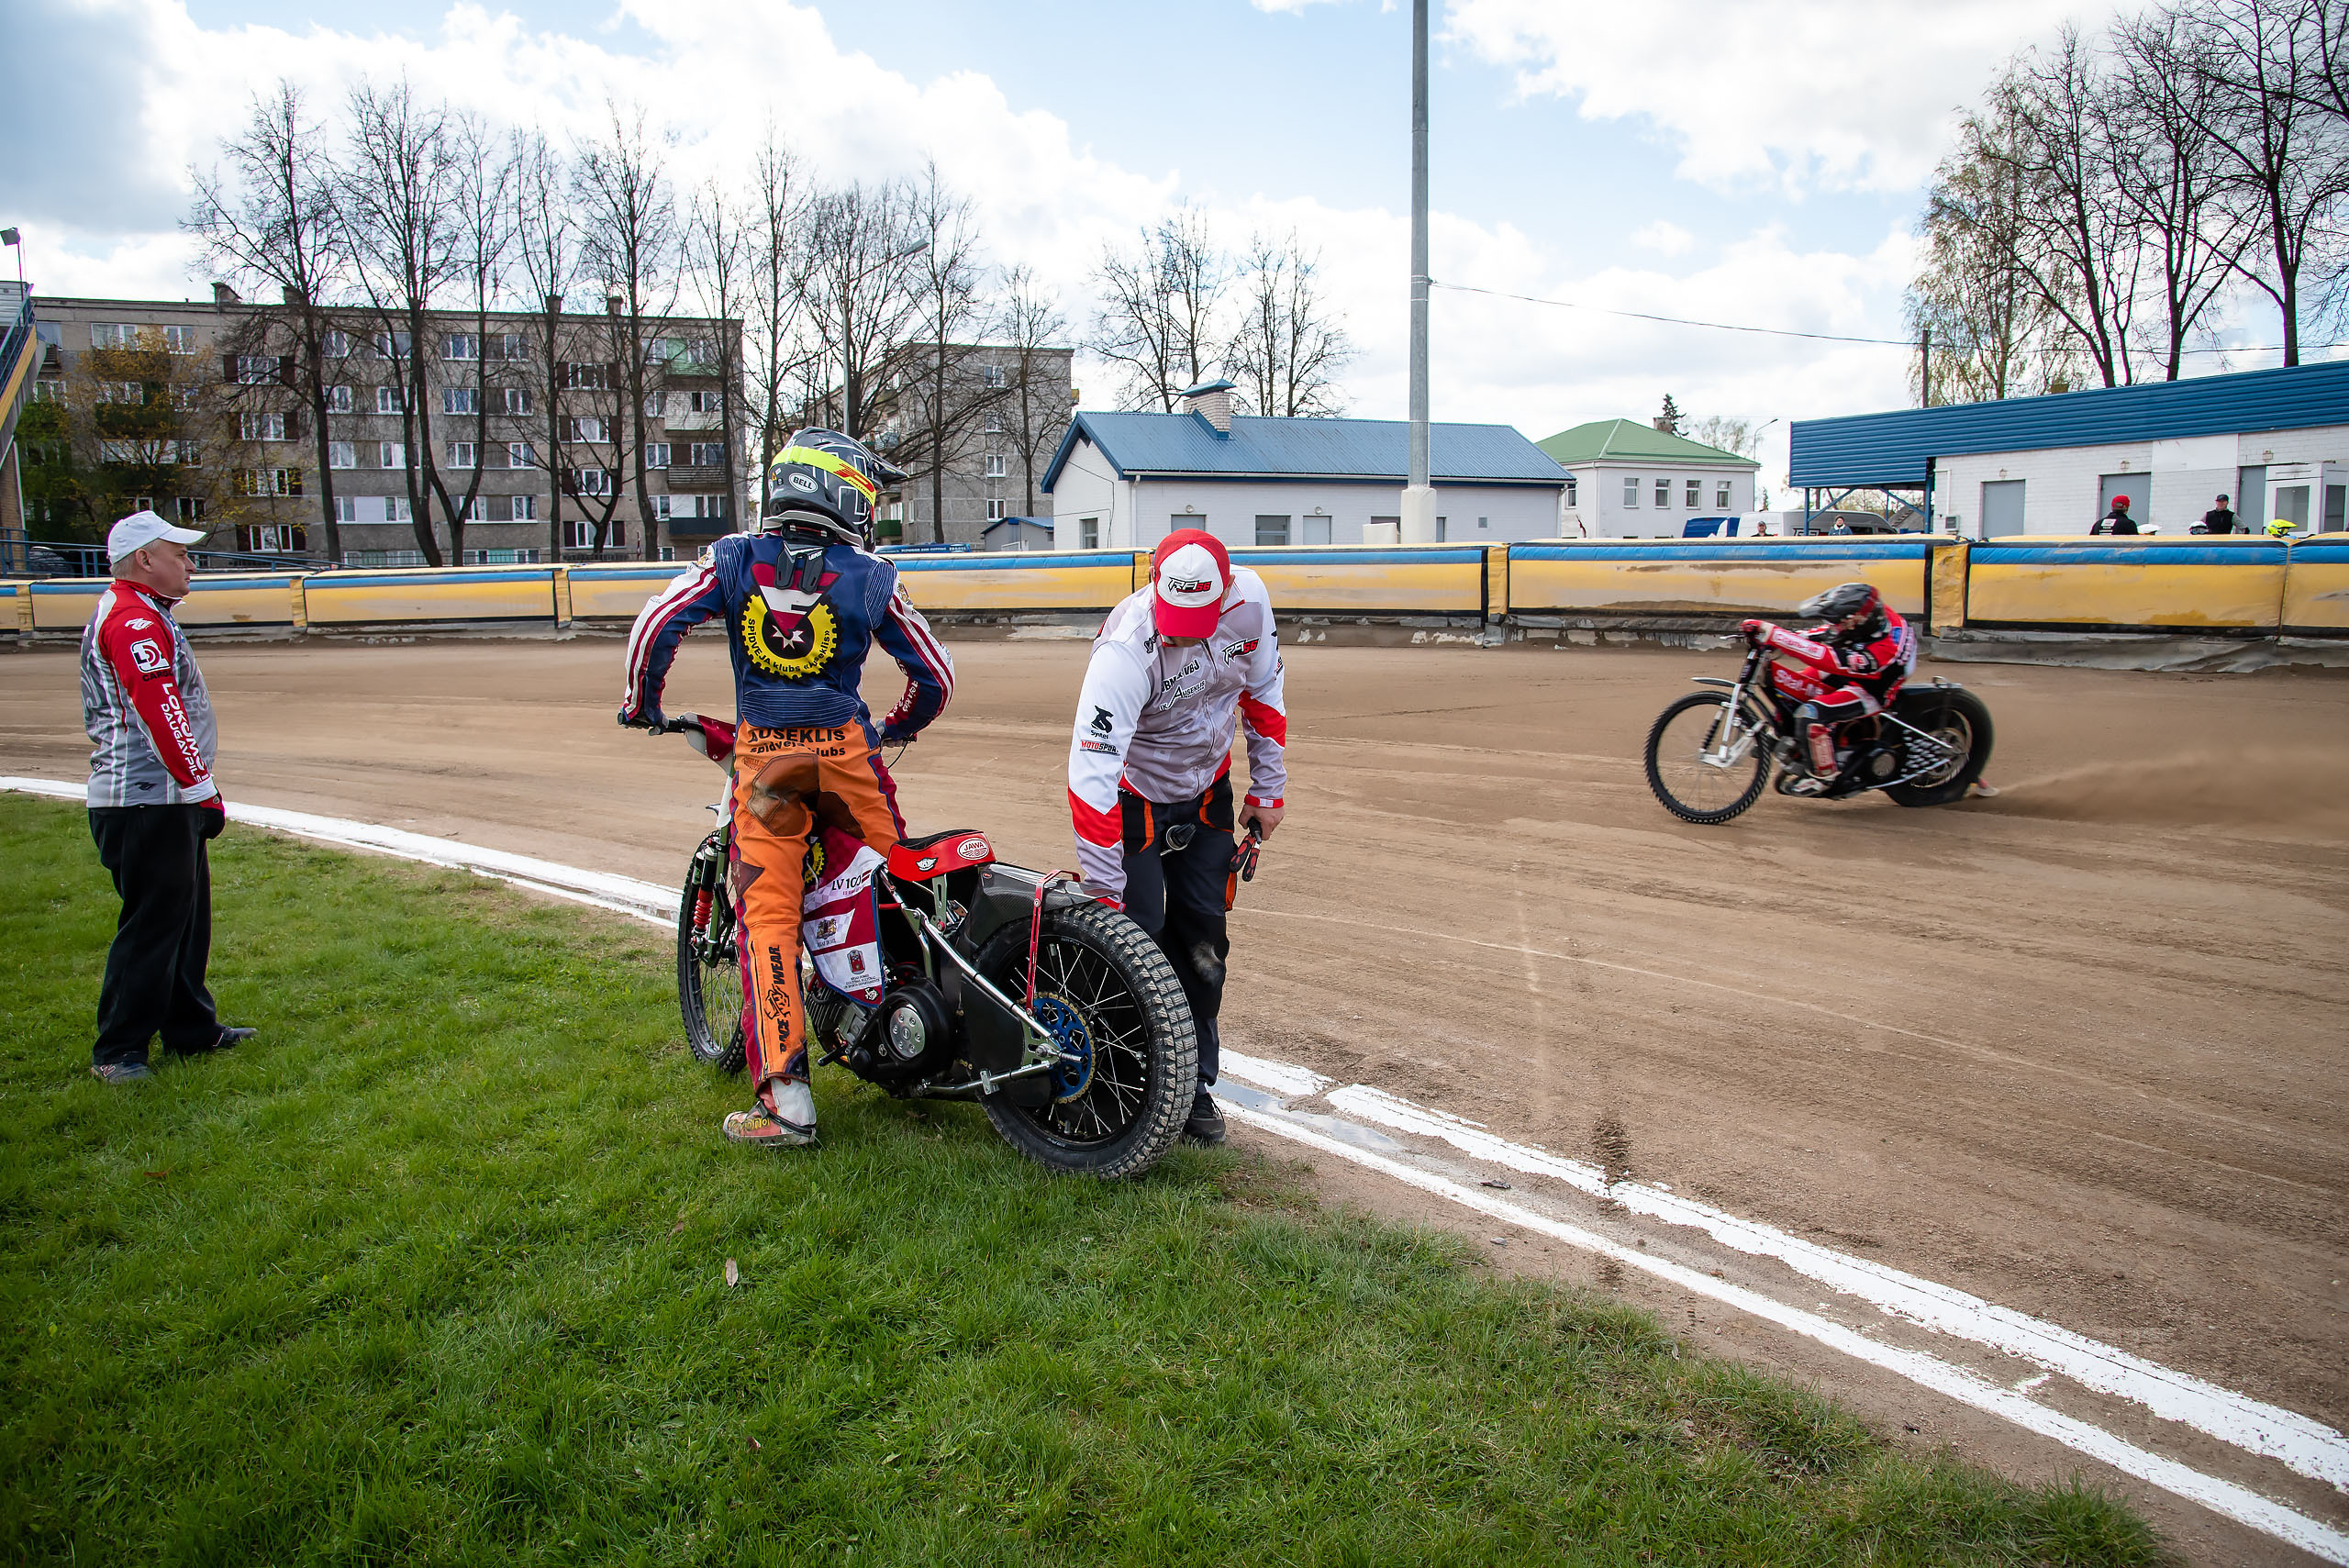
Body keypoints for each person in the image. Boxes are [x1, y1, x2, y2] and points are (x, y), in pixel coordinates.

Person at [618, 429, 954, 1149]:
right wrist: (899, 722)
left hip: (768, 768)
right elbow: (937, 675)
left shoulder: (733, 556)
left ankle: (789, 1106)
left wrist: (641, 702)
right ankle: (917, 1022)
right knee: (895, 880)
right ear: (840, 495)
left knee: (767, 918)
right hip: (846, 758)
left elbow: (654, 625)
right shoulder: (872, 574)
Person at [1065, 529, 1288, 1147]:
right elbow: (1091, 775)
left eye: (1196, 620)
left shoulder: (1251, 604)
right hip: (1133, 794)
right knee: (1131, 939)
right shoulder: (1125, 647)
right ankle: (1108, 1081)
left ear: (1223, 600)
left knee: (1204, 945)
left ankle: (1191, 1085)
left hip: (1208, 788)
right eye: (1173, 619)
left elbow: (1264, 695)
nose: (1182, 631)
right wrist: (1105, 887)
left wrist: (1267, 789)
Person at [81, 510, 256, 1084]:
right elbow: (160, 709)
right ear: (144, 560)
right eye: (178, 554)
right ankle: (119, 1051)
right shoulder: (132, 620)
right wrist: (201, 785)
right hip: (143, 800)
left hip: (162, 798)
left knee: (186, 919)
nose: (190, 563)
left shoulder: (148, 613)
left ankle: (191, 1029)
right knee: (154, 923)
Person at [1740, 582, 1916, 797]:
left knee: (1811, 714)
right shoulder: (1868, 615)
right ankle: (1791, 736)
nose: (1834, 627)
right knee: (1796, 685)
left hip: (1873, 686)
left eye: (1839, 624)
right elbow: (1827, 634)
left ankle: (1823, 777)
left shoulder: (1883, 649)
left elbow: (1828, 659)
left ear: (1858, 623)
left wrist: (1776, 636)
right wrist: (1785, 638)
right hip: (1854, 658)